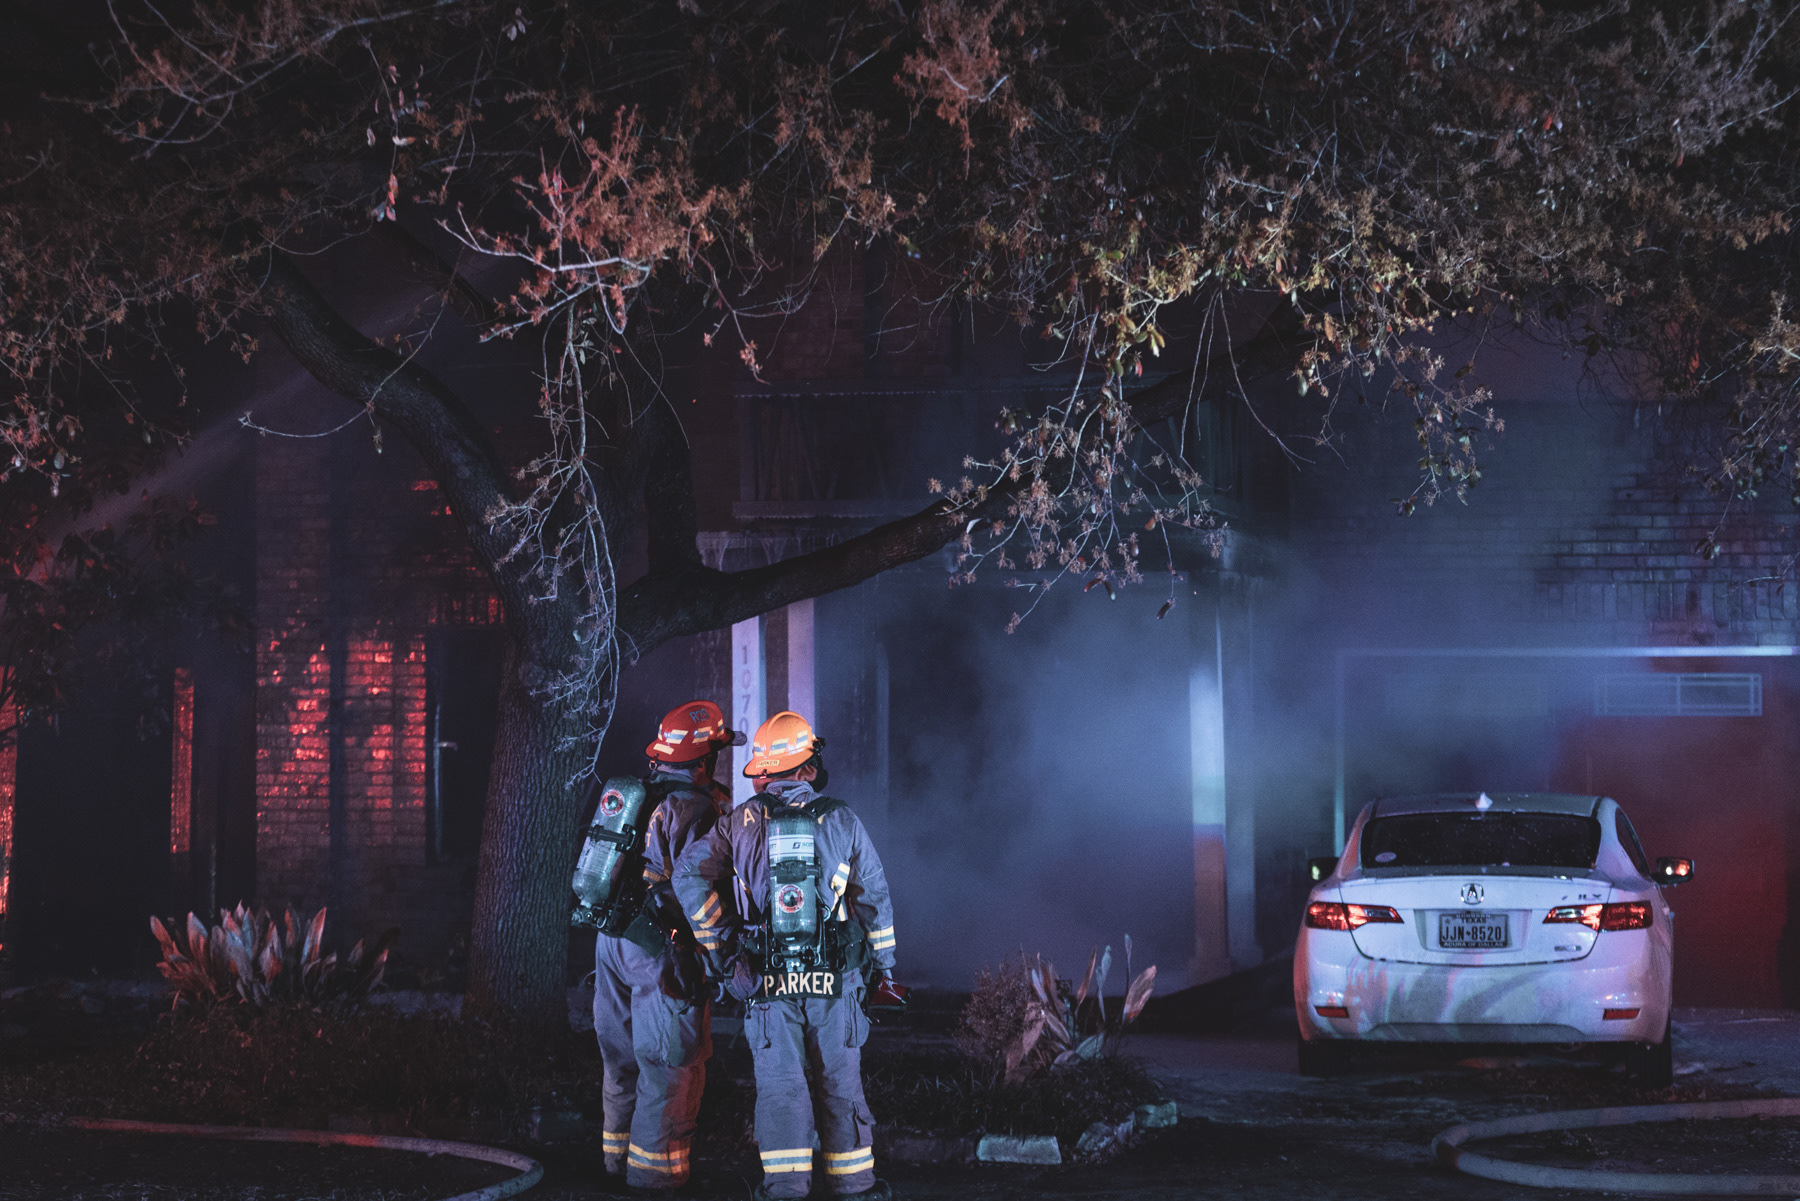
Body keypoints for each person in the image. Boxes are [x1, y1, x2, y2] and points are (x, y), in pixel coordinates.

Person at [672, 710, 897, 1201]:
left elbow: (687, 874)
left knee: (781, 1089)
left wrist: (723, 945)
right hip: (836, 979)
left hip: (766, 978)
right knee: (840, 1083)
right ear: (808, 767)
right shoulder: (841, 818)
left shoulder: (740, 822)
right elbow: (873, 898)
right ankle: (855, 1186)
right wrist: (883, 966)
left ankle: (786, 1188)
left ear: (764, 773)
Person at [591, 700, 742, 1189]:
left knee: (621, 1062)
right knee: (669, 1064)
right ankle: (655, 1180)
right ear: (703, 759)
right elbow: (698, 888)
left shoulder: (639, 796)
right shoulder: (695, 808)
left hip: (611, 940)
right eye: (716, 752)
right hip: (659, 950)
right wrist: (721, 955)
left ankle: (615, 1163)